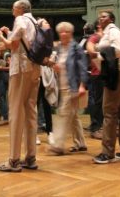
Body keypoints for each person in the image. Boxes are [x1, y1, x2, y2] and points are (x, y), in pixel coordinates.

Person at [0, 0, 41, 172]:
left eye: (13, 7)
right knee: (31, 111)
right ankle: (30, 157)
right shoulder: (35, 22)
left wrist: (1, 35)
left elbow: (11, 45)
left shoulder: (20, 20)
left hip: (21, 69)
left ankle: (14, 160)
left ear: (21, 9)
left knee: (15, 110)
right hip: (35, 69)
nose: (12, 10)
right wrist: (10, 34)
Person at [87, 10, 120, 164]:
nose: (100, 18)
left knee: (108, 111)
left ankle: (107, 153)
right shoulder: (107, 32)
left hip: (116, 72)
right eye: (100, 16)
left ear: (111, 19)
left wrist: (98, 55)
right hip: (116, 72)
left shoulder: (113, 30)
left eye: (104, 16)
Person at [49, 22, 88, 155]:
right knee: (73, 116)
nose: (63, 34)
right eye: (61, 32)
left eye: (66, 31)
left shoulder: (76, 48)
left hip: (73, 87)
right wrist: (56, 68)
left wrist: (82, 86)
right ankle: (80, 143)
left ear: (71, 33)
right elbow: (60, 65)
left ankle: (57, 145)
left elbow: (83, 68)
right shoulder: (59, 48)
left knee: (63, 114)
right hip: (62, 86)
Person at [83, 21, 104, 138]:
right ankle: (96, 127)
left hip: (102, 73)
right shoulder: (94, 38)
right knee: (96, 101)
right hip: (95, 72)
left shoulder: (109, 36)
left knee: (100, 101)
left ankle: (101, 126)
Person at [0, 40, 10, 124]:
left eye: (1, 45)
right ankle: (3, 115)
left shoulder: (7, 54)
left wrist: (0, 68)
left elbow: (11, 67)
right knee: (1, 96)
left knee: (1, 96)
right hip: (0, 77)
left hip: (5, 77)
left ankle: (5, 116)